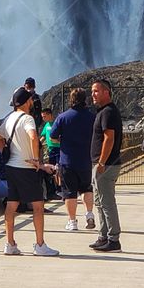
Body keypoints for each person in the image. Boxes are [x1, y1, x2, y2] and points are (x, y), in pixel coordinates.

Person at [0, 86, 59, 256]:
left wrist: (5, 151)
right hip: (26, 168)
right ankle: (40, 245)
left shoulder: (9, 118)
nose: (33, 102)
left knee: (12, 205)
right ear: (26, 102)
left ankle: (9, 244)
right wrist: (36, 160)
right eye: (30, 99)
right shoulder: (28, 119)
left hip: (11, 167)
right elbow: (33, 136)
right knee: (38, 206)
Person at [49, 87, 96, 231]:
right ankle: (89, 214)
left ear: (71, 100)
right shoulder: (92, 117)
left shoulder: (63, 117)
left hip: (67, 161)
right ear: (85, 99)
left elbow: (52, 136)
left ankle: (72, 221)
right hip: (86, 160)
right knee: (86, 188)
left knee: (69, 192)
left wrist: (62, 141)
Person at [89, 78, 123, 252]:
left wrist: (102, 161)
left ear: (106, 92)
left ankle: (113, 239)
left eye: (96, 91)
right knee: (100, 202)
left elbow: (109, 138)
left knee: (107, 201)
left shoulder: (108, 112)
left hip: (106, 165)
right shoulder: (103, 111)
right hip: (100, 164)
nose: (92, 94)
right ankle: (103, 236)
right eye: (92, 91)